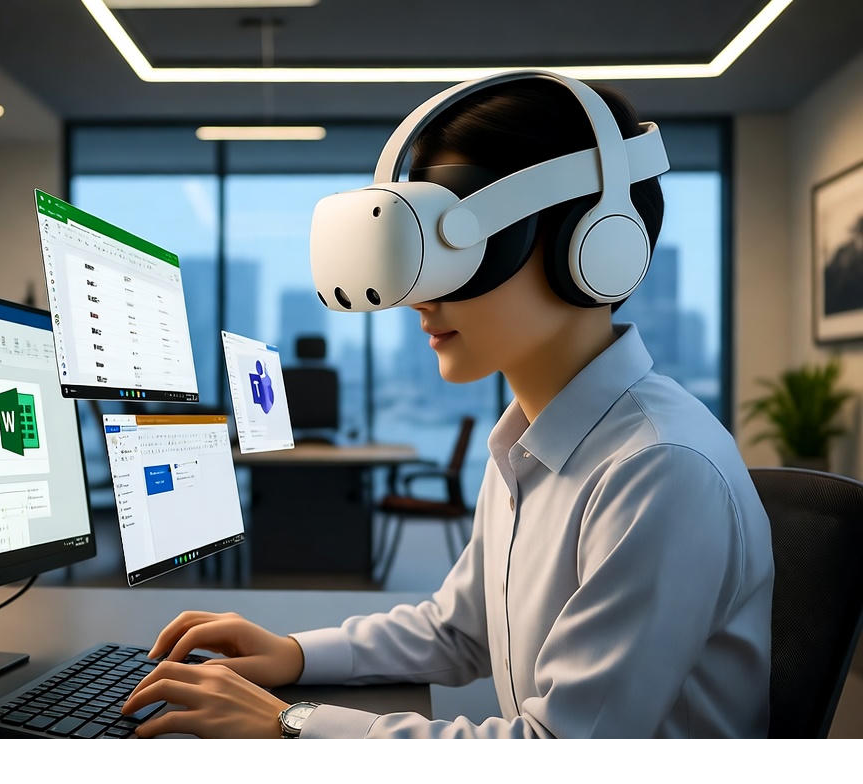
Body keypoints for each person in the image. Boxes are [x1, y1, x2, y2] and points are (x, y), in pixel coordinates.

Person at [120, 76, 774, 739]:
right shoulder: (526, 442)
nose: (419, 298)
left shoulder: (659, 470)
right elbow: (458, 630)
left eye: (462, 249)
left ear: (595, 245)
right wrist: (293, 654)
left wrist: (293, 724)